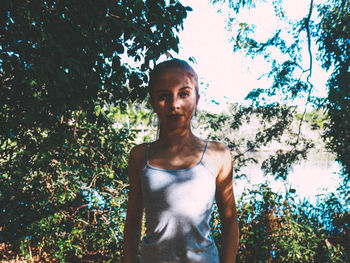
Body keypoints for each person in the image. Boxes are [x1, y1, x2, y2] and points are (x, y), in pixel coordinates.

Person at [123, 59, 239, 263]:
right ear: (152, 103)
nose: (174, 104)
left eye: (184, 94)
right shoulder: (140, 156)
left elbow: (230, 221)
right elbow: (132, 221)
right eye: (164, 96)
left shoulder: (218, 155)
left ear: (197, 100)